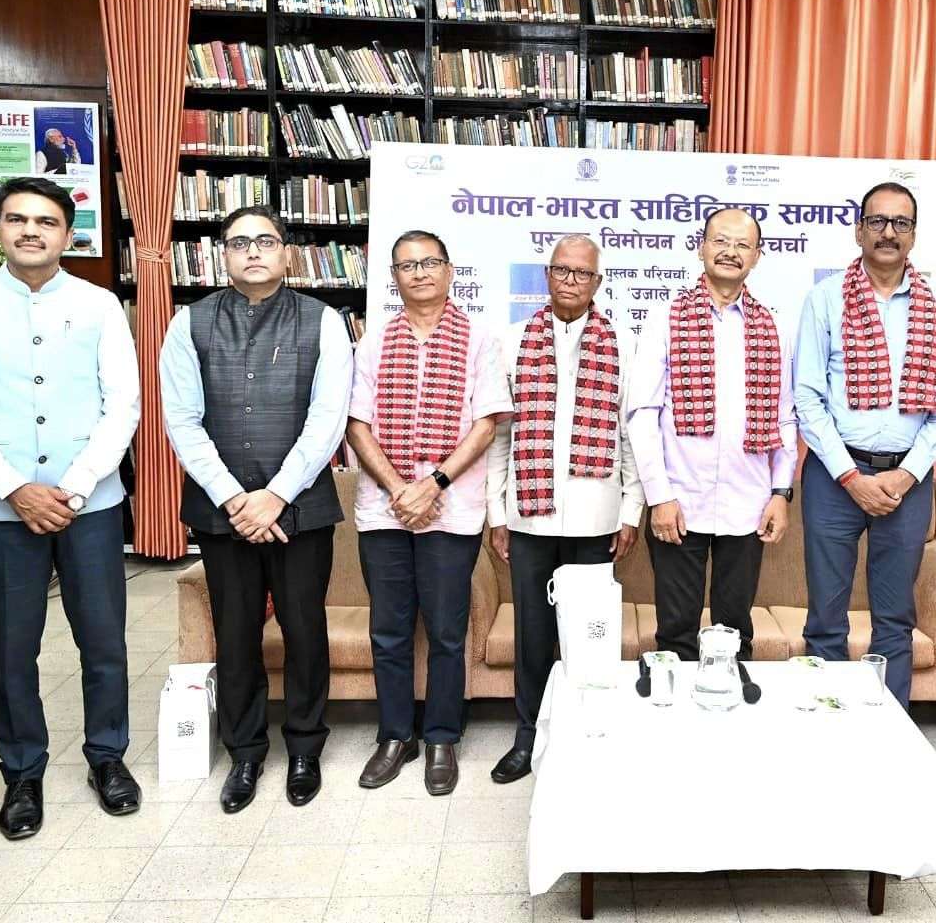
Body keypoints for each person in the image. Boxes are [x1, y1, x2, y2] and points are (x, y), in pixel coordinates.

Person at [0, 177, 141, 839]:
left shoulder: (101, 304)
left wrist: (71, 488)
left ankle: (108, 756)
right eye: (16, 219)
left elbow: (122, 406)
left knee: (103, 641)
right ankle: (22, 770)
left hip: (90, 504)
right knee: (12, 647)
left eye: (45, 221)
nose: (30, 231)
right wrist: (14, 486)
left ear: (67, 234)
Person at [159, 205, 351, 814]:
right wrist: (236, 498)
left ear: (287, 252)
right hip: (224, 511)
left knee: (304, 628)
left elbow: (327, 420)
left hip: (300, 509)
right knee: (236, 631)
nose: (253, 252)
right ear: (223, 254)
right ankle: (244, 751)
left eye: (265, 241)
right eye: (239, 243)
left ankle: (304, 747)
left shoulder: (323, 322)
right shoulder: (187, 323)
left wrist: (276, 496)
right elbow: (182, 421)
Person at [347, 230, 511, 796]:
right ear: (393, 277)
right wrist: (399, 487)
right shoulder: (371, 344)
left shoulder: (479, 339)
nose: (419, 272)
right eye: (406, 265)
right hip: (383, 509)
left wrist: (433, 482)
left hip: (453, 508)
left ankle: (441, 735)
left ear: (449, 269)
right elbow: (356, 423)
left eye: (429, 262)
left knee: (445, 630)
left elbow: (486, 423)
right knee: (388, 630)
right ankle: (395, 736)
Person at [793, 182, 936, 705]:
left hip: (906, 480)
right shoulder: (825, 299)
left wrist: (905, 474)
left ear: (913, 234)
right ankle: (823, 726)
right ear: (859, 228)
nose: (889, 233)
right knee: (826, 614)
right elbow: (807, 396)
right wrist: (850, 476)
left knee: (895, 618)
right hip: (833, 476)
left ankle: (887, 733)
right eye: (878, 221)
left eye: (901, 223)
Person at [485, 235, 643, 784]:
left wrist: (632, 510)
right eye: (561, 271)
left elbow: (631, 434)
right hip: (528, 517)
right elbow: (499, 436)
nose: (571, 281)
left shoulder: (623, 343)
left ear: (598, 283)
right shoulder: (510, 341)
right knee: (533, 634)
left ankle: (586, 735)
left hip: (595, 518)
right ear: (546, 276)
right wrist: (495, 513)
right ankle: (528, 736)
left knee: (589, 636)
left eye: (583, 273)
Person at [626, 207, 795, 662]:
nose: (730, 252)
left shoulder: (773, 326)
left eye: (743, 245)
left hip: (749, 504)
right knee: (677, 633)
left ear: (757, 257)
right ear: (701, 247)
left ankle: (729, 727)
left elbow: (783, 417)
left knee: (735, 632)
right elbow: (642, 414)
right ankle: (675, 727)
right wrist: (659, 497)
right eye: (720, 240)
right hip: (679, 502)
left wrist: (781, 492)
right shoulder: (667, 317)